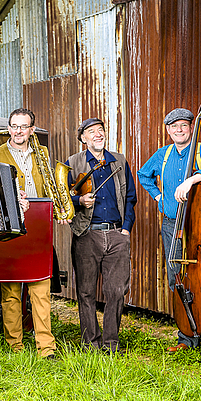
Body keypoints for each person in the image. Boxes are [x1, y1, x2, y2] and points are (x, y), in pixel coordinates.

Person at [137, 108, 201, 358]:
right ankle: (186, 336)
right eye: (174, 126)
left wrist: (191, 180)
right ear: (168, 130)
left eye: (183, 125)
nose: (179, 130)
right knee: (176, 276)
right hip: (173, 224)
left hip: (200, 224)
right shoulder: (163, 154)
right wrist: (159, 197)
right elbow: (143, 175)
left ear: (192, 127)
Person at [0, 108, 57, 360]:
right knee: (11, 291)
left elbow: (49, 186)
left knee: (41, 290)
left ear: (31, 130)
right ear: (8, 128)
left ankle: (46, 349)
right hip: (9, 227)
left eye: (23, 127)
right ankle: (14, 346)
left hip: (38, 227)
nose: (18, 131)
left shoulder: (43, 154)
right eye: (14, 126)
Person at [64, 117, 137, 354]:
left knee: (116, 291)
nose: (98, 134)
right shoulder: (72, 163)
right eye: (91, 132)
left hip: (116, 234)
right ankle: (90, 343)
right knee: (85, 292)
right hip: (87, 234)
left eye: (101, 130)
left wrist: (125, 228)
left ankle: (111, 343)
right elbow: (63, 198)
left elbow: (130, 198)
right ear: (83, 138)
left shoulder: (119, 161)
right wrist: (79, 201)